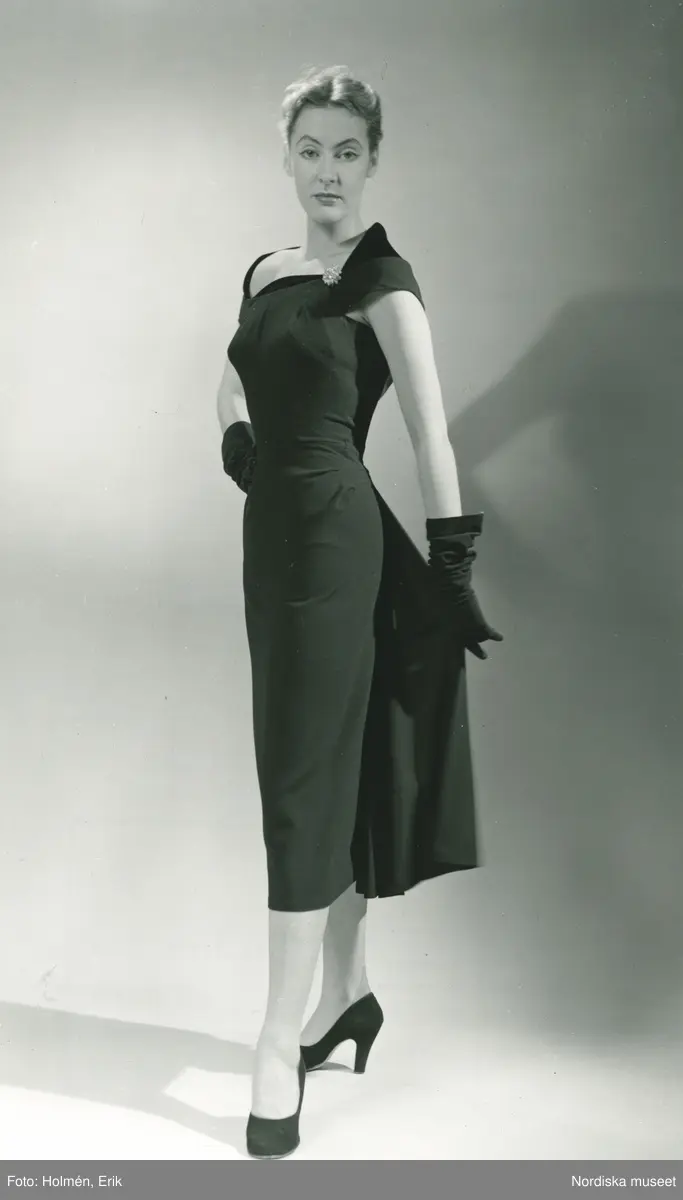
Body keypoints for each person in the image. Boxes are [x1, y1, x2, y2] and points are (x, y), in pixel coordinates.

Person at [216, 64, 503, 1159]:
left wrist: (452, 565)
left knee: (298, 778)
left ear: (372, 163)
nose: (327, 172)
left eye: (347, 152)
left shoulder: (382, 281)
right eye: (310, 151)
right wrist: (236, 441)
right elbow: (234, 374)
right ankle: (348, 993)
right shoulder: (265, 270)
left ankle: (274, 1041)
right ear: (286, 158)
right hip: (272, 541)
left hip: (337, 544)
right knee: (315, 765)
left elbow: (430, 432)